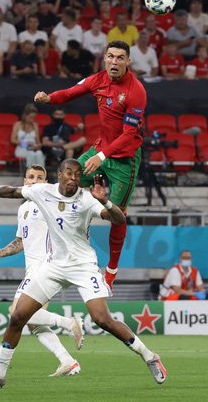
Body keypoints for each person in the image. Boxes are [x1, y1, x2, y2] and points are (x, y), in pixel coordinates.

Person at [0, 163, 166, 388]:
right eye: (69, 174)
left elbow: (119, 219)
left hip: (83, 266)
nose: (74, 178)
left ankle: (149, 356)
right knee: (17, 317)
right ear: (60, 175)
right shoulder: (44, 191)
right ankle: (0, 376)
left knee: (102, 319)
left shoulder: (87, 198)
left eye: (78, 175)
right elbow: (13, 191)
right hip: (54, 267)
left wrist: (105, 201)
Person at [34, 41, 146, 290]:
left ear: (128, 62)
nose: (114, 62)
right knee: (68, 178)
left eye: (120, 58)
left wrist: (102, 156)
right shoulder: (97, 79)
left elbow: (128, 134)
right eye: (110, 56)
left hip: (124, 160)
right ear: (104, 58)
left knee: (117, 216)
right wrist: (49, 98)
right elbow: (70, 93)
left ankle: (111, 271)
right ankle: (70, 235)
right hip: (100, 148)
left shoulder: (136, 91)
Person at [0, 164, 84, 376]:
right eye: (30, 177)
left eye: (39, 178)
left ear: (46, 183)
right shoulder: (23, 209)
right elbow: (20, 242)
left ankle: (69, 323)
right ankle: (68, 360)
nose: (34, 180)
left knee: (15, 313)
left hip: (46, 266)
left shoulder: (49, 201)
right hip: (32, 269)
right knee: (32, 322)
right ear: (25, 182)